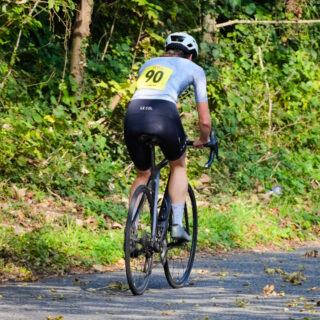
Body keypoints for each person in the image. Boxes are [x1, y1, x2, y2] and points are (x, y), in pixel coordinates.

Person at [124, 32, 211, 241]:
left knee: (142, 173)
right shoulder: (195, 69)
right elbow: (205, 121)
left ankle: (131, 229)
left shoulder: (148, 63)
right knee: (178, 166)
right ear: (190, 56)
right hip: (163, 114)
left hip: (133, 114)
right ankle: (177, 225)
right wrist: (204, 139)